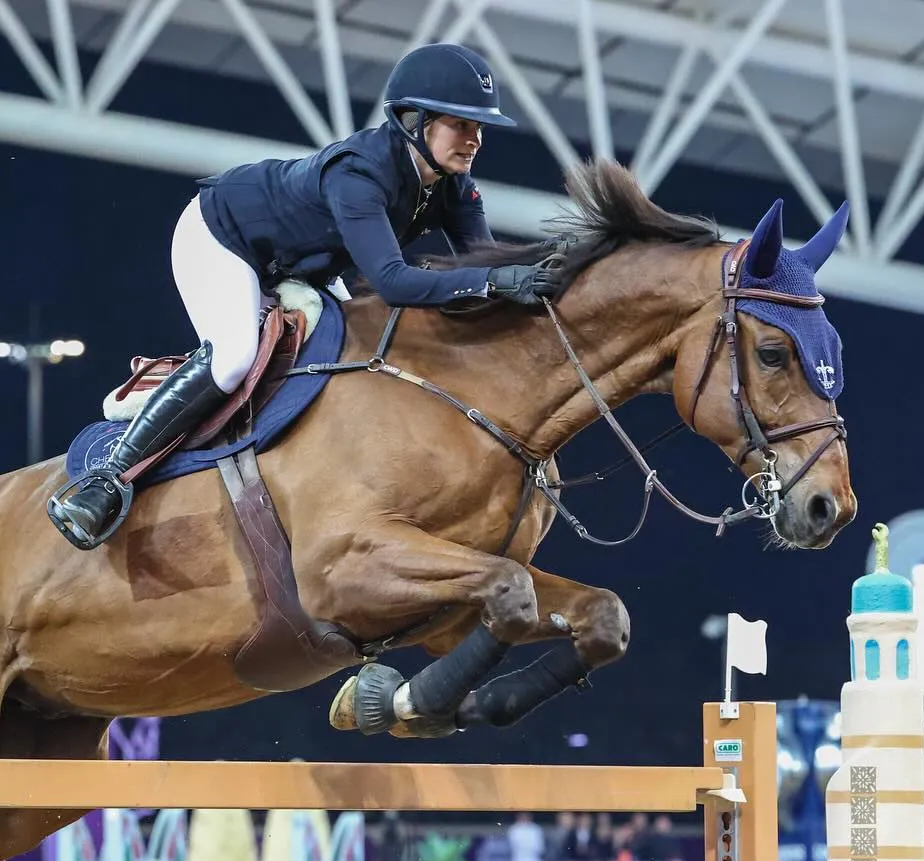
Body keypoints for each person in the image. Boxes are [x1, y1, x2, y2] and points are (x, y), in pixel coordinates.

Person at [48, 41, 564, 549]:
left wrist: (549, 269)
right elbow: (394, 282)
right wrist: (493, 282)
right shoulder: (359, 175)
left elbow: (483, 260)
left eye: (478, 128)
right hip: (223, 236)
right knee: (232, 360)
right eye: (461, 124)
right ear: (414, 120)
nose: (474, 139)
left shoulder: (453, 184)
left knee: (361, 350)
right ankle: (105, 482)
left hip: (301, 264)